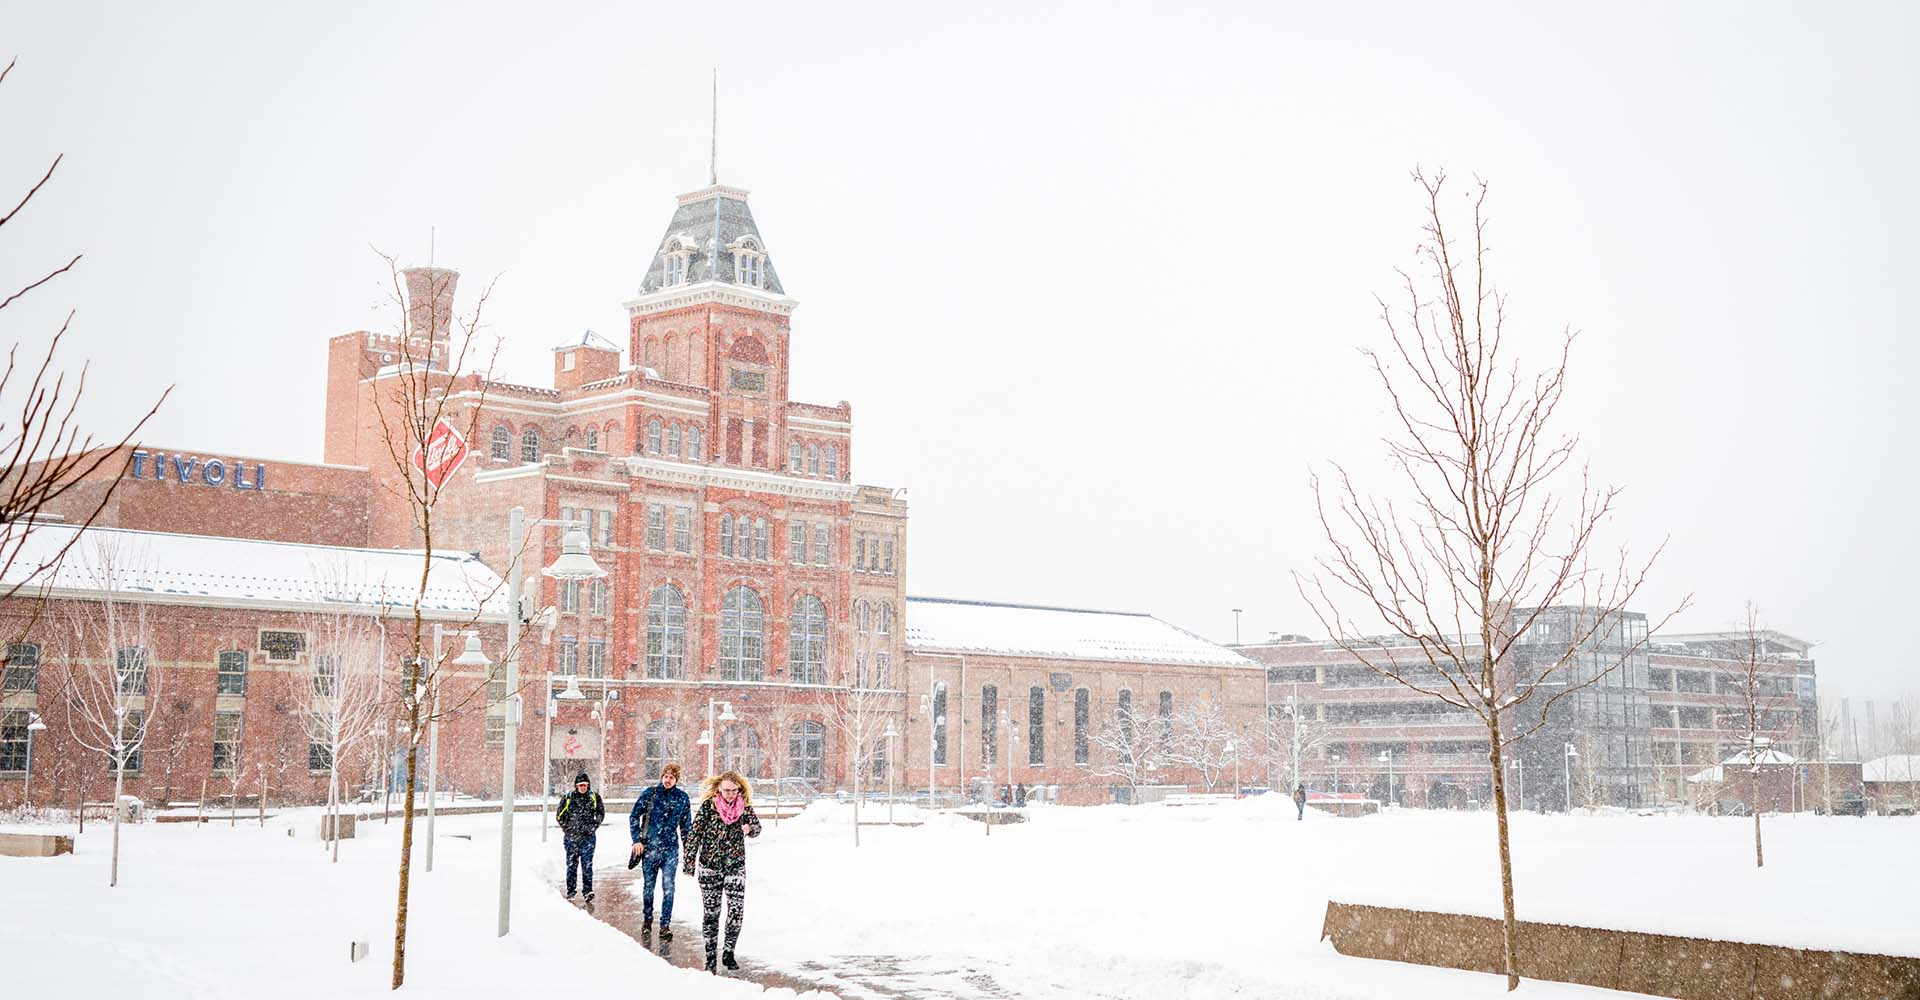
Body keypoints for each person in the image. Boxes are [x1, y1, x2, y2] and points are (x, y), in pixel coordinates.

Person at [682, 770, 762, 973]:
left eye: (734, 790)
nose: (730, 794)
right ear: (719, 788)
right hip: (710, 867)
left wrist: (749, 828)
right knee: (711, 913)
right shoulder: (708, 807)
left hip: (736, 865)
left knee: (736, 911)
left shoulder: (745, 807)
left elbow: (758, 828)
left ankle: (728, 951)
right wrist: (689, 863)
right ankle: (710, 957)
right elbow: (694, 835)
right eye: (726, 790)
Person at [629, 762, 692, 941]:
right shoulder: (650, 794)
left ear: (676, 780)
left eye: (672, 777)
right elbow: (634, 815)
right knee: (649, 887)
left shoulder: (682, 798)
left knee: (669, 887)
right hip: (650, 849)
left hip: (670, 850)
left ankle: (665, 925)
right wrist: (636, 841)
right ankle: (647, 919)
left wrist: (689, 850)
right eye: (666, 776)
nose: (668, 780)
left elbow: (686, 827)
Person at [556, 771, 605, 901]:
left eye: (585, 785)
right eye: (580, 785)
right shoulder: (568, 798)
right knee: (572, 864)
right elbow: (560, 816)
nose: (583, 787)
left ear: (588, 785)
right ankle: (571, 890)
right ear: (576, 786)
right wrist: (568, 829)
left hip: (588, 837)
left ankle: (587, 891)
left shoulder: (594, 797)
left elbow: (600, 814)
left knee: (587, 864)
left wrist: (593, 826)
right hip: (571, 838)